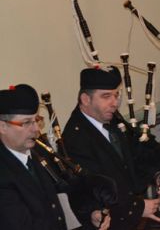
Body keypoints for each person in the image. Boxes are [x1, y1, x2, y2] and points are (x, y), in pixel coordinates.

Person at [63, 65, 160, 230]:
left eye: (116, 95)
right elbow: (92, 189)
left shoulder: (112, 120)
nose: (115, 103)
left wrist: (156, 175)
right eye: (106, 96)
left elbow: (132, 158)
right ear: (86, 99)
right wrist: (138, 207)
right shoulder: (75, 139)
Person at [0, 84, 111, 230]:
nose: (36, 129)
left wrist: (90, 214)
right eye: (26, 122)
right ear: (2, 126)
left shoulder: (38, 151)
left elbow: (65, 190)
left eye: (36, 120)